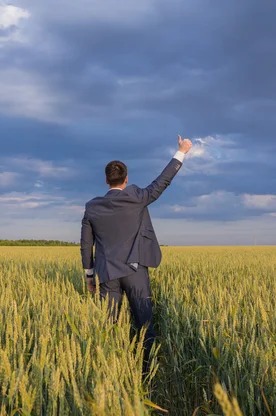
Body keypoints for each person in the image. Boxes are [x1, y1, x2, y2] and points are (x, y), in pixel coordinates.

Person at [80, 135, 192, 375]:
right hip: (135, 271)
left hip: (106, 273)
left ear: (106, 180)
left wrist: (90, 275)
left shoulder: (92, 206)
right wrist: (181, 152)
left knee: (107, 327)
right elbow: (162, 182)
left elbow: (86, 243)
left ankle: (110, 370)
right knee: (144, 325)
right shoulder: (137, 197)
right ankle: (146, 373)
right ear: (126, 179)